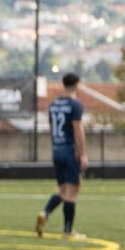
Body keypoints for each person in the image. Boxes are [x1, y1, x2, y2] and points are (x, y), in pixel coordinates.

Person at [36, 72, 88, 239]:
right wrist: (83, 154)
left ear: (63, 84)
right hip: (70, 150)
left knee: (63, 191)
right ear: (77, 85)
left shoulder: (54, 105)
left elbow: (52, 129)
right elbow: (78, 129)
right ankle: (68, 230)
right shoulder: (75, 105)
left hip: (57, 149)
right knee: (72, 192)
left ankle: (45, 212)